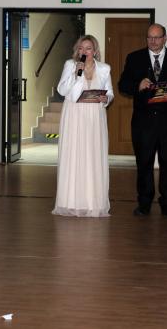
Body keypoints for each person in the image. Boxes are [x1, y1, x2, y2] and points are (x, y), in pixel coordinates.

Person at [118, 23, 167, 217]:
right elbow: (122, 85)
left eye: (157, 37)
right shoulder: (134, 58)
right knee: (144, 163)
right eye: (149, 37)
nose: (153, 41)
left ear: (165, 38)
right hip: (143, 123)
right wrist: (138, 85)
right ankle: (144, 204)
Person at [52, 35, 114, 217]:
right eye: (81, 48)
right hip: (74, 114)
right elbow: (62, 90)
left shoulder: (104, 68)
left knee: (93, 155)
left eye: (88, 48)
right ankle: (70, 201)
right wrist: (75, 74)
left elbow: (110, 93)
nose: (84, 52)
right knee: (74, 154)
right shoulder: (70, 65)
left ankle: (93, 202)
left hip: (95, 116)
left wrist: (106, 98)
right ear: (77, 50)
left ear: (95, 51)